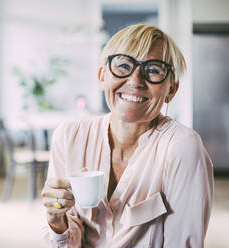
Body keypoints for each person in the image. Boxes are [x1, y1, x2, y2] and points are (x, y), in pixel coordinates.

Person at [41, 24, 214, 247]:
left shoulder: (182, 148)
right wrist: (56, 220)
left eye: (153, 69)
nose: (135, 80)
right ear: (102, 76)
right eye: (123, 65)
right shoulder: (69, 137)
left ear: (171, 89)